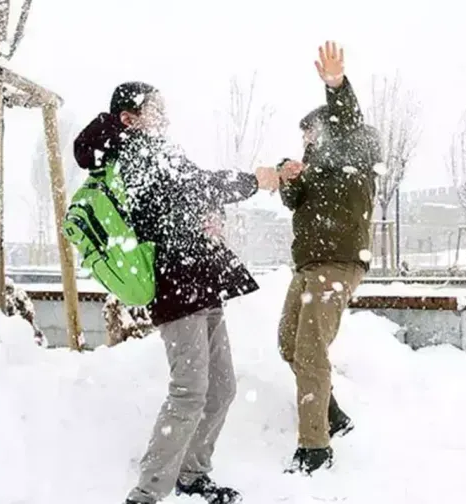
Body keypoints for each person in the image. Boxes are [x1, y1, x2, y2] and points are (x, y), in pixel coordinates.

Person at [73, 81, 281, 504]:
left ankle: (192, 474)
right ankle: (146, 494)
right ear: (129, 118)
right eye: (156, 109)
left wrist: (210, 215)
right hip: (175, 283)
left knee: (221, 387)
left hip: (201, 278)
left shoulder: (157, 151)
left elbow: (186, 197)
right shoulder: (132, 152)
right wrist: (252, 182)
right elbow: (192, 186)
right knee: (189, 390)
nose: (165, 117)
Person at [274, 41, 381, 475]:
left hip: (338, 262)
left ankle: (315, 448)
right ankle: (332, 414)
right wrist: (288, 175)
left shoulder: (356, 149)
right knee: (289, 343)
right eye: (304, 137)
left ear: (329, 129)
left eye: (311, 133)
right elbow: (293, 201)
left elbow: (348, 120)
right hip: (309, 265)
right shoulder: (314, 168)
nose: (307, 141)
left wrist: (336, 85)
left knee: (310, 350)